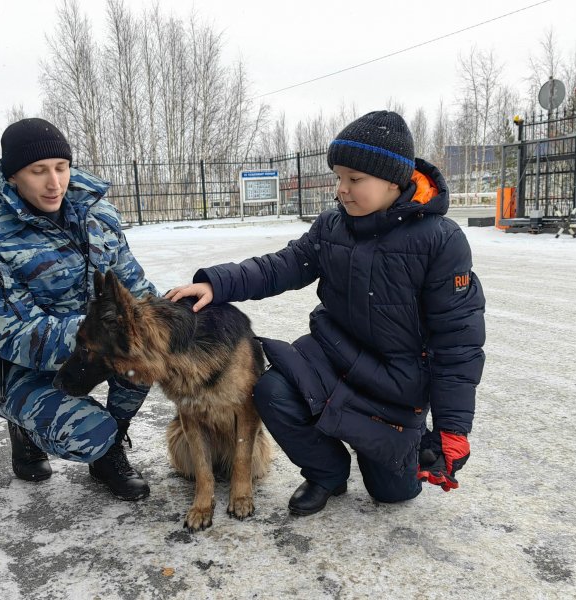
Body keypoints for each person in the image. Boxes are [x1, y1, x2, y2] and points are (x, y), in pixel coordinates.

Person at [166, 110, 486, 515]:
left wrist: (452, 429)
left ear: (393, 180)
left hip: (394, 382)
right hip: (332, 357)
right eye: (339, 177)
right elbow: (281, 266)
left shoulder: (440, 242)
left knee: (393, 493)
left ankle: (388, 453)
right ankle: (327, 471)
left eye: (355, 180)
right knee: (270, 390)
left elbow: (459, 339)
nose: (342, 190)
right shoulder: (332, 226)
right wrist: (217, 283)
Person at [0, 118, 158, 501]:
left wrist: (168, 320)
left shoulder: (97, 214)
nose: (54, 183)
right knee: (87, 431)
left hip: (92, 345)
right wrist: (108, 334)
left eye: (61, 168)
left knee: (147, 359)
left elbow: (134, 287)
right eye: (39, 171)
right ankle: (25, 426)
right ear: (13, 176)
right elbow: (14, 335)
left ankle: (108, 452)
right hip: (16, 362)